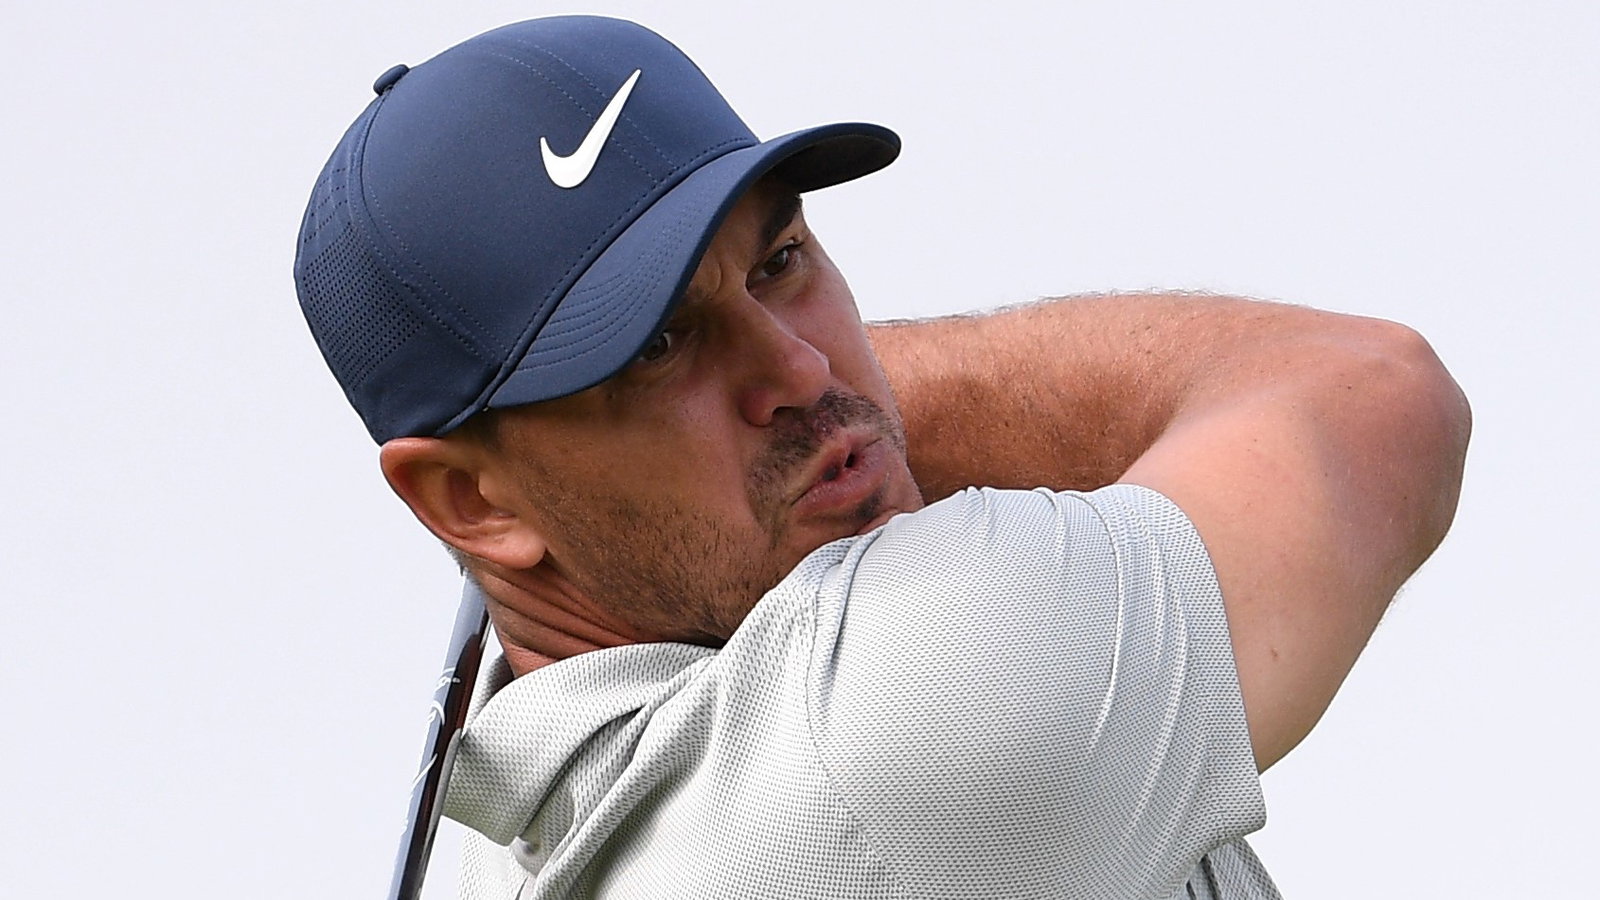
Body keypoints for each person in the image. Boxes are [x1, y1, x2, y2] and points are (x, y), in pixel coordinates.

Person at [294, 15, 1470, 900]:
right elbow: (1377, 399)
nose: (801, 372)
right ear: (470, 501)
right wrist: (864, 403)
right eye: (657, 346)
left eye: (779, 262)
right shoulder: (886, 729)